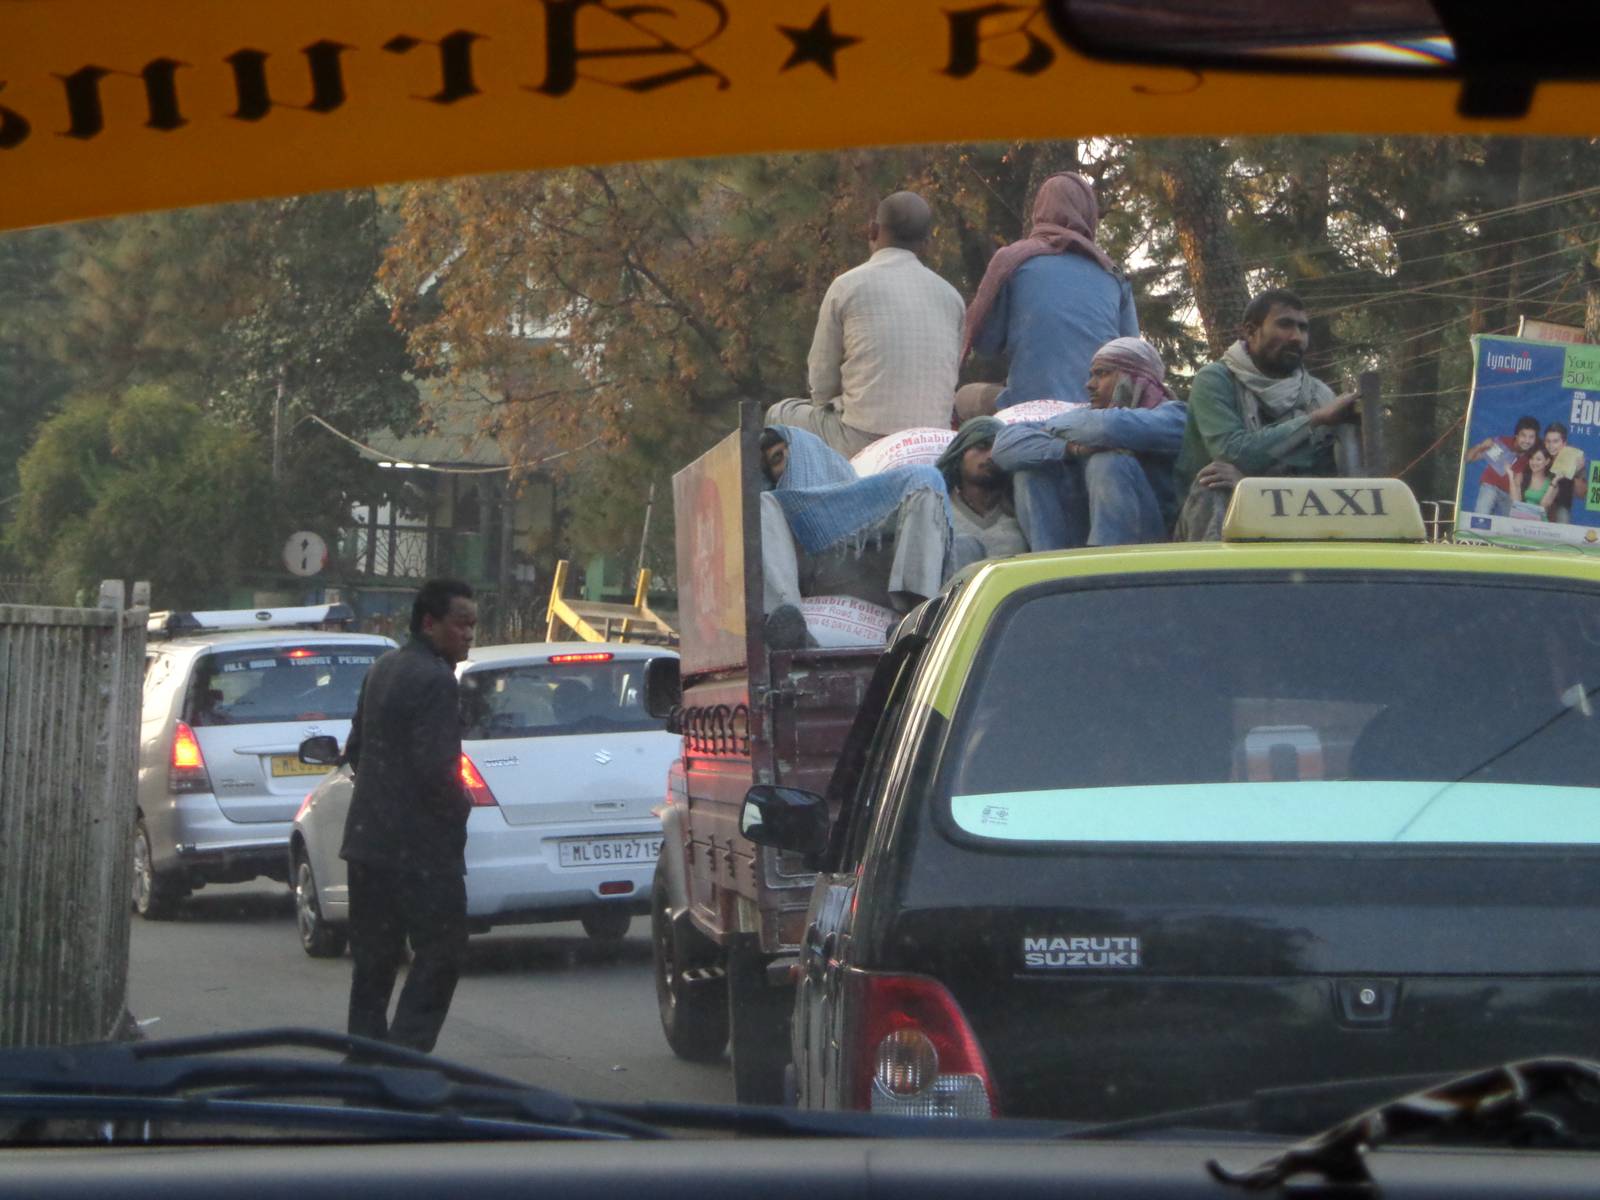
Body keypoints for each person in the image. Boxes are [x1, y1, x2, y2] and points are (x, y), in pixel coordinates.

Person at [340, 578, 478, 1054]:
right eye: (460, 624)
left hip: (367, 844)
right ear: (428, 623)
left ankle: (363, 1065)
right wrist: (459, 808)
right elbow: (436, 770)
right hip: (420, 853)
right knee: (441, 952)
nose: (468, 635)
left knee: (374, 963)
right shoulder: (437, 680)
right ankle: (403, 1062)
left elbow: (355, 750)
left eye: (473, 626)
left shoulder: (382, 668)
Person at [765, 191, 965, 458]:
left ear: (872, 230)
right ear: (926, 243)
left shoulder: (847, 286)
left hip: (862, 439)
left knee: (779, 413)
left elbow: (822, 382)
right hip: (933, 444)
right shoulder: (952, 297)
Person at [1173, 289, 1360, 541]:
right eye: (1285, 325)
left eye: (1303, 328)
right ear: (1251, 331)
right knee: (1214, 484)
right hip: (1216, 517)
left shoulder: (1318, 394)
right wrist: (1313, 420)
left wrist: (1251, 486)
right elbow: (1231, 452)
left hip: (1295, 518)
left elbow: (1326, 479)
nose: (1297, 337)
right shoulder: (1216, 380)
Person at [758, 425, 953, 647]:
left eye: (787, 451)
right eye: (776, 459)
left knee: (927, 478)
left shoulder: (871, 497)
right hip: (815, 606)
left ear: (810, 450)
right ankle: (787, 630)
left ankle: (918, 617)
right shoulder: (776, 510)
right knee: (762, 503)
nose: (788, 461)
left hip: (885, 601)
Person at [964, 172, 1139, 410]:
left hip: (1028, 409)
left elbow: (986, 344)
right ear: (1089, 214)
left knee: (964, 398)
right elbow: (1133, 359)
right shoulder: (1115, 276)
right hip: (1097, 415)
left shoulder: (1013, 261)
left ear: (1040, 210)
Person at [990, 337, 1186, 548]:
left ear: (1134, 377)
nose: (1089, 385)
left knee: (1108, 461)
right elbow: (1003, 446)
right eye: (1091, 375)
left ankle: (1112, 563)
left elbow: (1107, 427)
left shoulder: (1175, 416)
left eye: (1102, 374)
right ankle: (1050, 566)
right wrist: (1071, 448)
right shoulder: (1080, 423)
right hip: (1077, 538)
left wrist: (1060, 427)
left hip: (1153, 544)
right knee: (1029, 472)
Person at [936, 416, 1029, 562]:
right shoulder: (938, 512)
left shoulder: (1021, 512)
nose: (991, 456)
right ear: (960, 454)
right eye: (982, 446)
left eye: (999, 449)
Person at [1465, 415, 1540, 516]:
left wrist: (1518, 508)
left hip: (1509, 492)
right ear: (1516, 435)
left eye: (1531, 437)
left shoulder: (1531, 456)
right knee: (1482, 515)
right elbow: (1468, 459)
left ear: (1535, 439)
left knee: (1513, 520)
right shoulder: (1503, 443)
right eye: (1523, 436)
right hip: (1490, 485)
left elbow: (1517, 485)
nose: (1527, 441)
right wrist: (1481, 446)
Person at [1543, 421, 1585, 523]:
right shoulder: (1538, 456)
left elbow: (1581, 494)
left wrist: (1577, 473)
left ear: (1564, 443)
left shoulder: (1574, 460)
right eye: (1548, 441)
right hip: (1536, 503)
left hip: (1560, 508)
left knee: (1563, 514)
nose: (1551, 445)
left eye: (1555, 441)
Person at [1509, 444, 1557, 517]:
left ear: (1547, 461)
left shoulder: (1552, 483)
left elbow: (1543, 507)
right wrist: (1511, 476)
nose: (1534, 462)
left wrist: (1554, 481)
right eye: (1532, 458)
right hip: (1520, 520)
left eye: (1538, 459)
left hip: (1540, 524)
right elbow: (1515, 503)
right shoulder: (1521, 476)